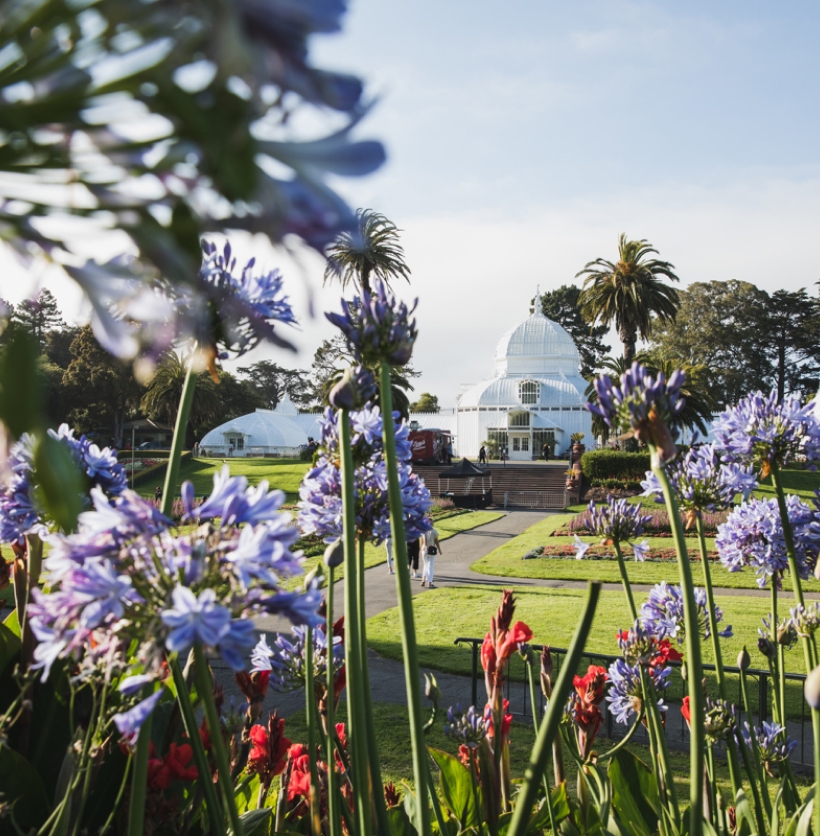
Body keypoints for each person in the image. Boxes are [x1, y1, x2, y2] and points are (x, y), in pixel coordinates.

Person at [420, 522, 442, 588]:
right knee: (431, 567)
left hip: (424, 550)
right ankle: (430, 582)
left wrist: (420, 550)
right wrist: (439, 550)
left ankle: (423, 580)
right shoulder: (434, 531)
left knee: (425, 565)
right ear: (432, 524)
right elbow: (436, 542)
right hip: (431, 550)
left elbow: (422, 542)